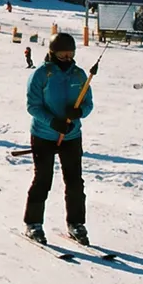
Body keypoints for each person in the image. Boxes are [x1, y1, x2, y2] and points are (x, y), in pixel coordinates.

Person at [24, 33, 93, 244]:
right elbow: (32, 106)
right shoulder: (41, 74)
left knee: (74, 182)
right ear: (53, 52)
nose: (67, 58)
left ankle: (76, 223)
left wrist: (79, 113)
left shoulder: (80, 76)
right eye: (62, 54)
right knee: (43, 179)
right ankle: (33, 223)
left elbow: (88, 103)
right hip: (44, 135)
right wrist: (52, 122)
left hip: (71, 135)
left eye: (70, 54)